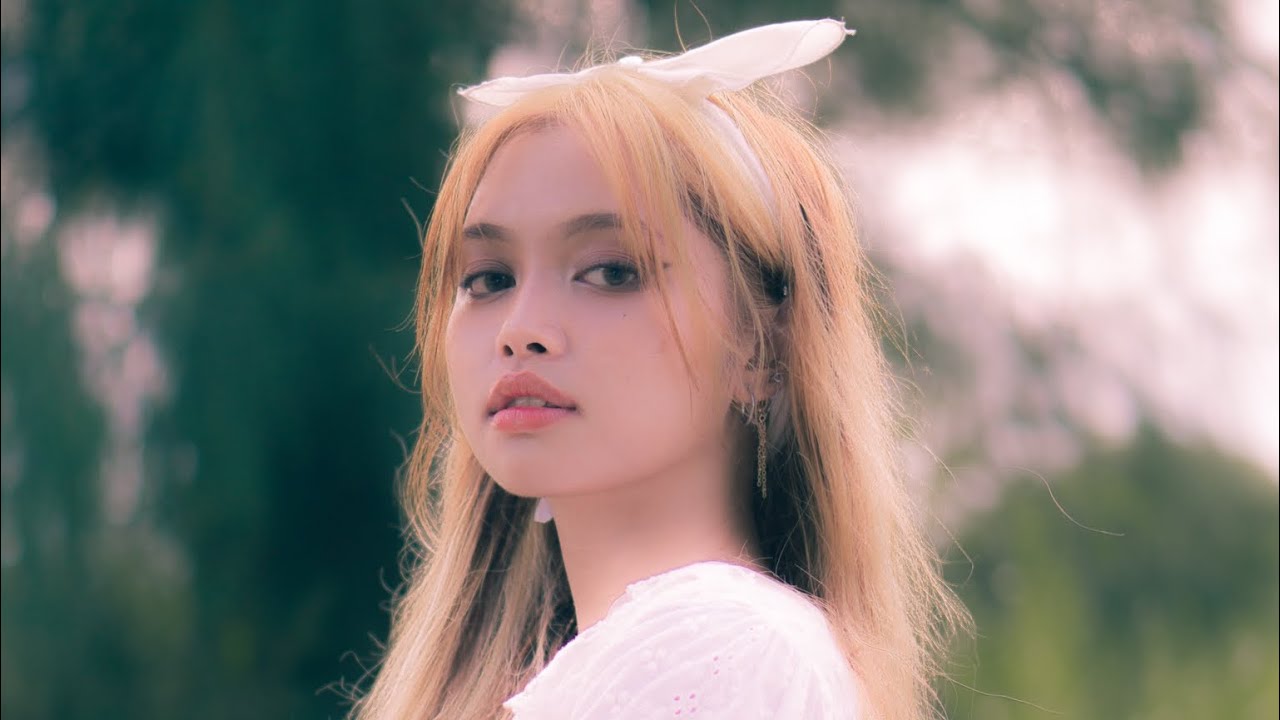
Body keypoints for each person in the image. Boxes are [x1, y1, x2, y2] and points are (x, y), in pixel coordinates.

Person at [352, 19, 967, 720]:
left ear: (760, 346)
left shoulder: (718, 653)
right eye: (488, 279)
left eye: (612, 271)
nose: (521, 330)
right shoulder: (654, 658)